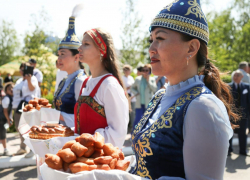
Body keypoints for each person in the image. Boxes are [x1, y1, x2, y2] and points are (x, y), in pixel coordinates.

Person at [129, 1, 237, 179]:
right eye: (151, 40)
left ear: (192, 47)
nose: (150, 49)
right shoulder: (160, 95)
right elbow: (147, 161)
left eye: (160, 39)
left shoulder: (203, 107)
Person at [76, 28, 129, 149]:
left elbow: (118, 134)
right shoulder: (86, 82)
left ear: (101, 50)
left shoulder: (109, 85)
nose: (79, 48)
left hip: (101, 162)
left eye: (86, 44)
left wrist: (82, 141)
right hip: (83, 158)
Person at [53, 15, 86, 128]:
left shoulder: (80, 81)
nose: (59, 59)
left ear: (76, 57)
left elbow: (82, 119)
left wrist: (51, 114)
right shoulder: (65, 80)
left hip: (71, 139)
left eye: (63, 54)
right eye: (58, 55)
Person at [12, 62, 39, 157]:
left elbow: (32, 89)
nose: (22, 71)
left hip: (28, 106)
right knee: (20, 128)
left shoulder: (33, 78)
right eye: (21, 69)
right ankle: (23, 147)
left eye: (24, 69)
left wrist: (28, 80)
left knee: (29, 128)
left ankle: (32, 149)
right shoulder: (19, 81)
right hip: (17, 106)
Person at [228, 70, 250, 156]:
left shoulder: (247, 87)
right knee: (230, 133)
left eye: (238, 75)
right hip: (231, 115)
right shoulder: (228, 86)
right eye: (234, 75)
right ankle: (229, 150)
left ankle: (243, 151)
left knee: (243, 134)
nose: (236, 76)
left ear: (242, 77)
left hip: (243, 116)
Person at [0, 82, 14, 156]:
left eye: (12, 88)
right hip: (1, 118)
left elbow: (10, 110)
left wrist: (10, 118)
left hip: (2, 118)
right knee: (2, 134)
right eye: (9, 89)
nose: (11, 90)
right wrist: (8, 119)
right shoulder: (7, 98)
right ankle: (5, 149)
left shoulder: (10, 98)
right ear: (6, 91)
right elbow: (5, 111)